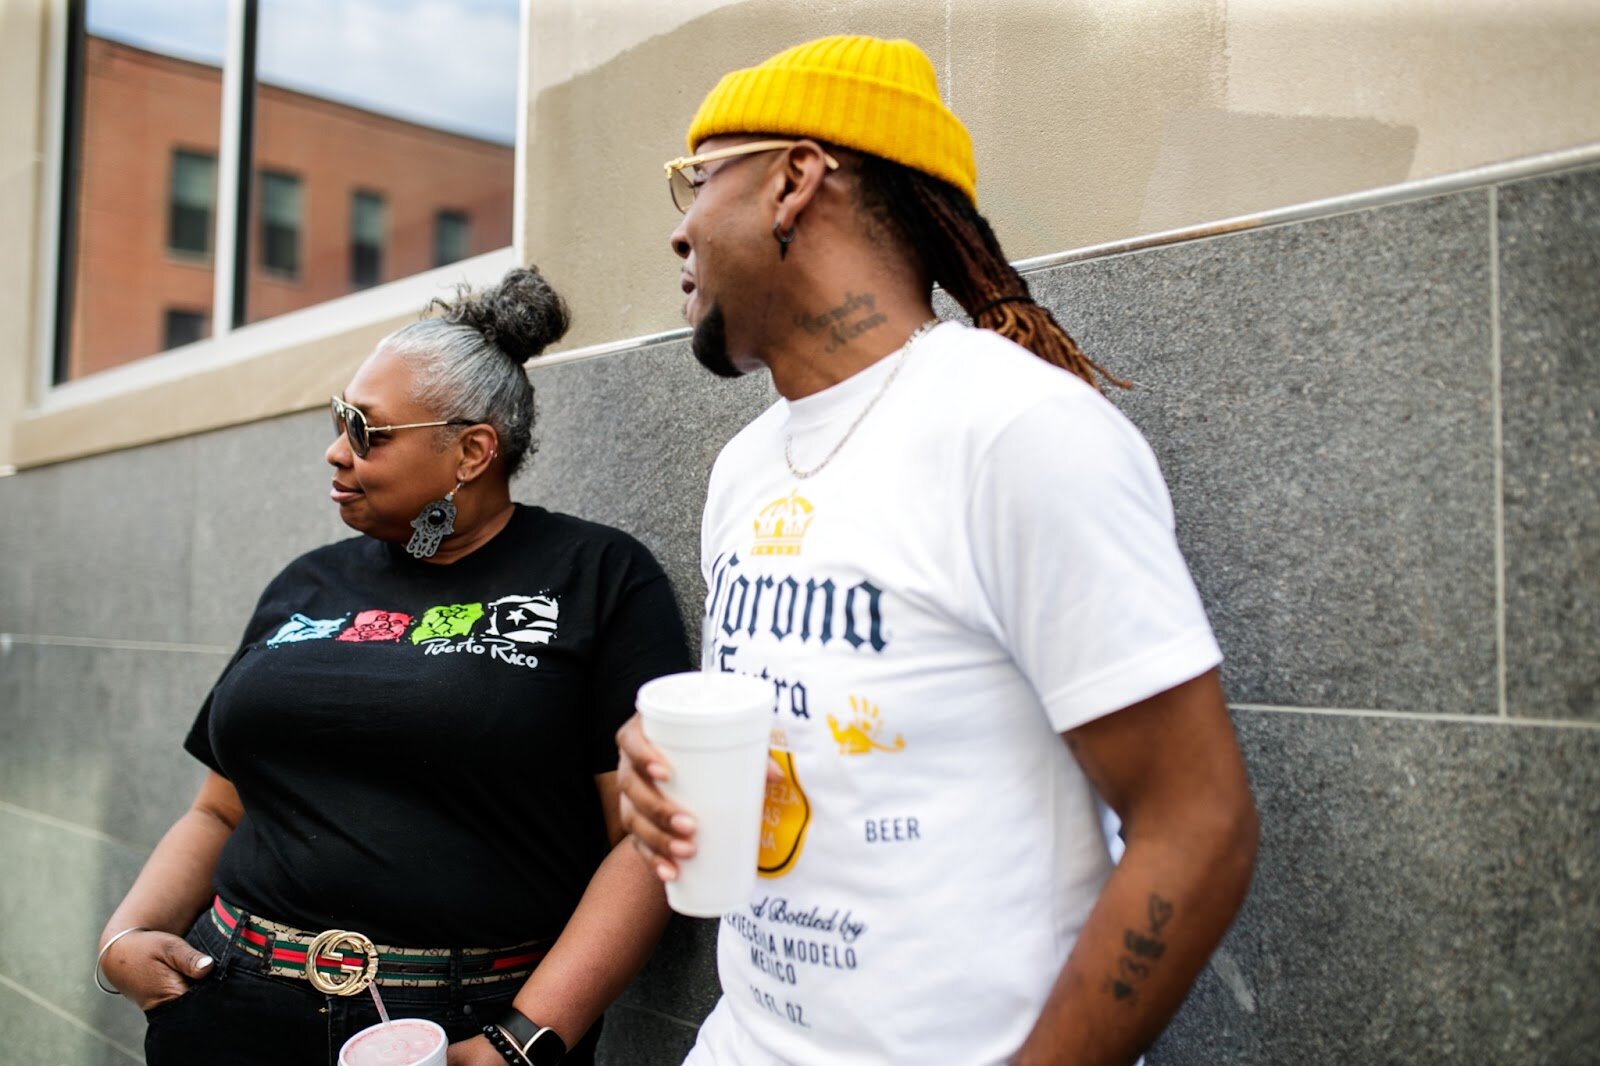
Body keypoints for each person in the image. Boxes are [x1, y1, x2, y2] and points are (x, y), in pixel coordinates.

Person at [616, 35, 1259, 1066]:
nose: (681, 230)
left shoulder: (1013, 431)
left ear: (792, 179)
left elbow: (1201, 826)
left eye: (698, 178)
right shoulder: (742, 467)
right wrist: (655, 775)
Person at [96, 266, 689, 1066]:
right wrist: (125, 935)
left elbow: (644, 837)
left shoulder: (597, 577)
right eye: (341, 420)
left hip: (458, 1029)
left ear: (472, 451)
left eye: (367, 432)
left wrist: (519, 1043)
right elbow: (219, 811)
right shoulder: (309, 581)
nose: (336, 452)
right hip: (230, 1000)